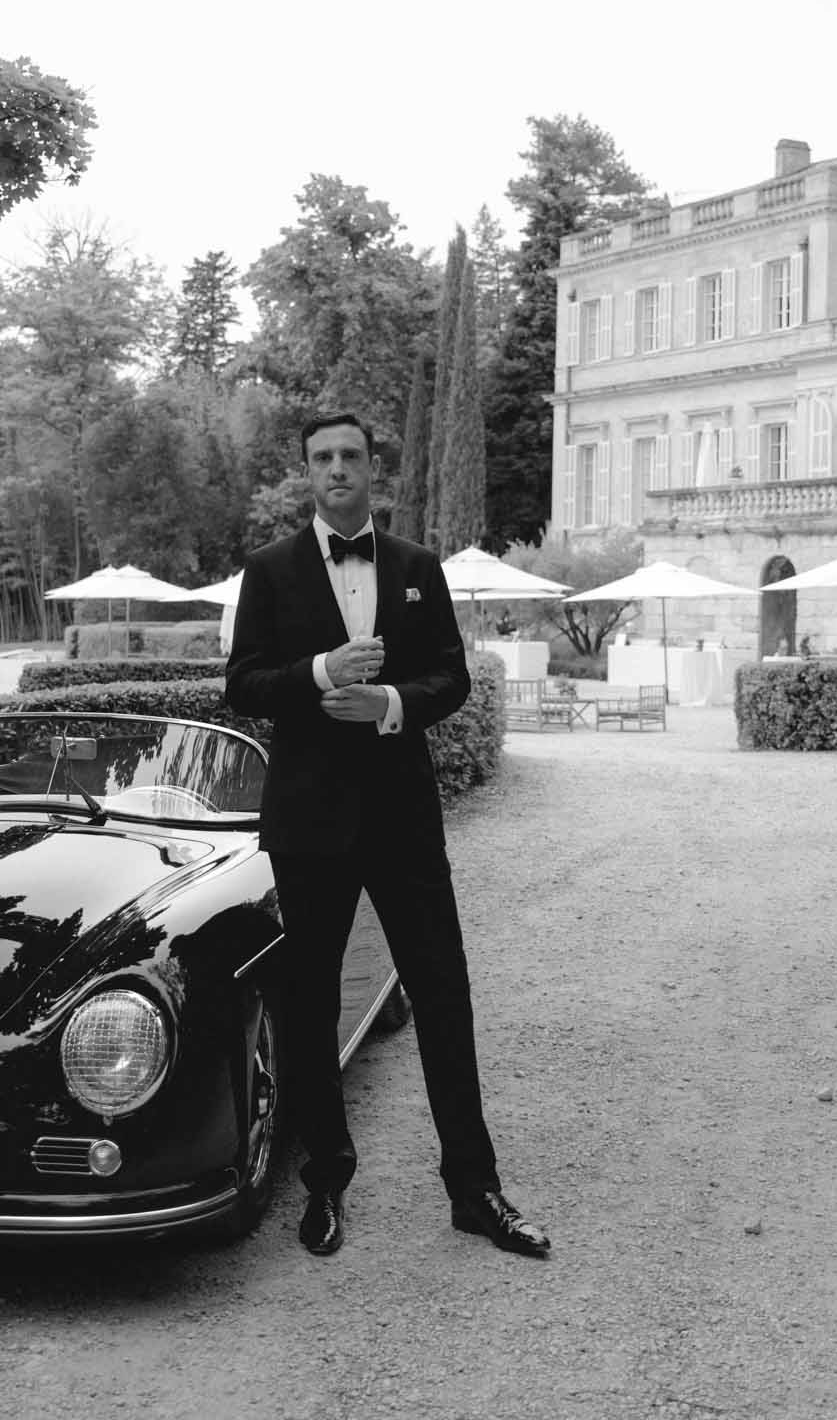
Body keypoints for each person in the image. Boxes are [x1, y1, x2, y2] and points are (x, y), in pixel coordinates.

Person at [225, 409, 549, 1261]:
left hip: (402, 819)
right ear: (307, 473)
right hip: (309, 825)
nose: (337, 469)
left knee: (443, 993)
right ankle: (324, 1181)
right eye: (322, 458)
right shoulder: (267, 570)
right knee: (311, 1002)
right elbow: (242, 684)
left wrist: (392, 706)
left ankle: (474, 1190)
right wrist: (320, 674)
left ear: (374, 469)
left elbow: (449, 674)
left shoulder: (415, 568)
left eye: (350, 456)